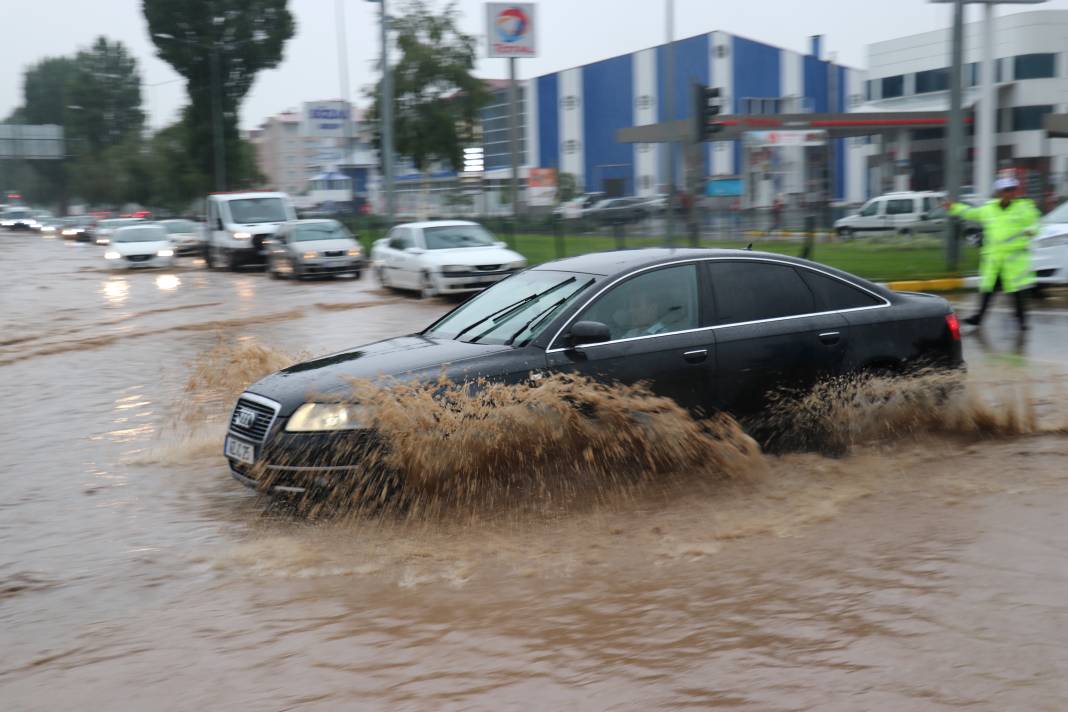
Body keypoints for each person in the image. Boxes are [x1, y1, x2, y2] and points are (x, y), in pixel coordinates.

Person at [946, 176, 1039, 330]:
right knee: (987, 291)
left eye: (1012, 190)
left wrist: (1032, 230)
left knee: (1017, 293)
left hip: (1013, 261)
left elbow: (1036, 223)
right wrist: (953, 207)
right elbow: (971, 213)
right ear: (999, 192)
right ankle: (978, 318)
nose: (1009, 193)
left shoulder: (1025, 208)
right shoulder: (989, 209)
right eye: (1006, 190)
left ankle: (1022, 321)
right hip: (994, 260)